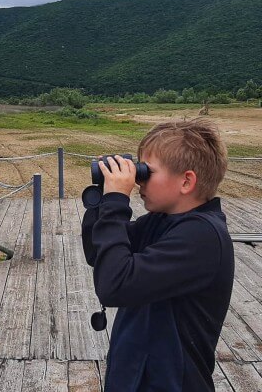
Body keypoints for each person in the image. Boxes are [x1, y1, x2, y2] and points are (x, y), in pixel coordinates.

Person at [82, 118, 234, 392]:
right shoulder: (161, 222)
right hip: (135, 378)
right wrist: (103, 200)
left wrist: (117, 202)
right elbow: (100, 253)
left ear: (186, 181)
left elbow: (114, 285)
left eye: (146, 172)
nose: (139, 181)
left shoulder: (202, 238)